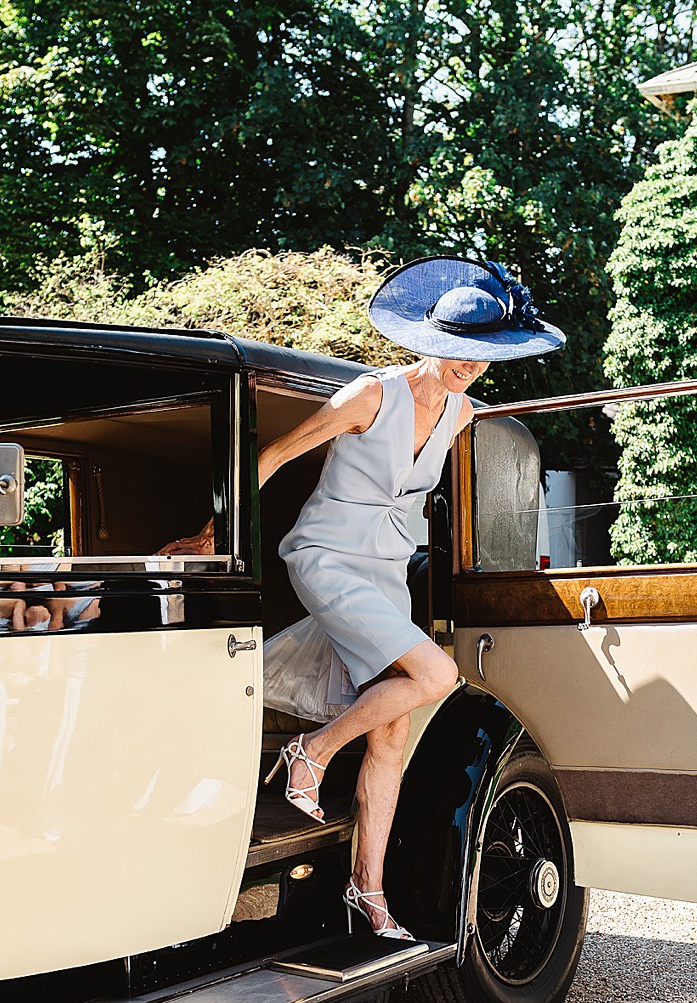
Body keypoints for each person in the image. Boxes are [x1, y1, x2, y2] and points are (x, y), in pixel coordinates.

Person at [163, 256, 564, 939]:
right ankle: (311, 753)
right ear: (425, 342)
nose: (466, 366)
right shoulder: (370, 395)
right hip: (324, 556)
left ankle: (366, 893)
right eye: (453, 352)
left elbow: (500, 460)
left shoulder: (464, 412)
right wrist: (213, 531)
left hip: (383, 572)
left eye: (480, 357)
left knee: (393, 727)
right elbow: (280, 453)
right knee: (436, 674)